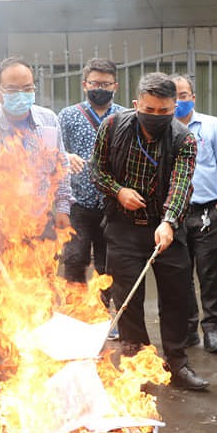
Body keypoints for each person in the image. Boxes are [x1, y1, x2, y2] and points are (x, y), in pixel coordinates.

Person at [92, 72, 209, 391]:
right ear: (136, 104)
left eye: (164, 112)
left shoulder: (184, 138)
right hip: (123, 228)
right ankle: (137, 363)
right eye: (150, 110)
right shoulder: (113, 127)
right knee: (127, 301)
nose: (156, 117)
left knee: (176, 298)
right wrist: (118, 191)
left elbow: (182, 183)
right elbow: (97, 171)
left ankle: (177, 363)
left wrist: (170, 221)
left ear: (175, 107)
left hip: (166, 230)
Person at [0, 56, 72, 402]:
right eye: (13, 89)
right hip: (0, 228)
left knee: (42, 296)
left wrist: (63, 209)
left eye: (27, 88)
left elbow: (61, 167)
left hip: (40, 227)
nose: (22, 95)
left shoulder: (48, 121)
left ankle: (35, 366)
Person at [171, 74, 217, 355]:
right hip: (176, 213)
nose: (179, 101)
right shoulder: (164, 129)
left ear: (193, 97)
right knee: (180, 273)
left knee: (210, 272)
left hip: (208, 210)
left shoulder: (212, 125)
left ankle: (212, 329)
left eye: (184, 95)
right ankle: (188, 327)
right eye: (174, 97)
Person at [58, 58, 125, 297]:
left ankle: (104, 314)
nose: (101, 89)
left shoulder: (125, 117)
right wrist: (67, 156)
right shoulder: (68, 116)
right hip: (78, 204)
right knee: (74, 258)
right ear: (85, 84)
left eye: (106, 84)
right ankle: (75, 313)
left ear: (115, 86)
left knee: (108, 265)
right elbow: (53, 151)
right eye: (96, 83)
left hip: (112, 205)